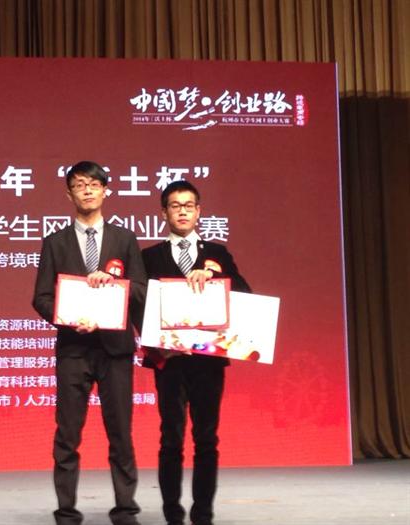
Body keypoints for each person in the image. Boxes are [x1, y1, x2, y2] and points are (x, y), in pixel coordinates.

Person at [32, 160, 147, 525]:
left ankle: (125, 509)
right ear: (70, 194)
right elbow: (42, 297)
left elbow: (141, 290)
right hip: (74, 349)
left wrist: (114, 287)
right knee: (67, 434)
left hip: (115, 350)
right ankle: (66, 511)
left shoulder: (125, 239)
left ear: (105, 191)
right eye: (79, 184)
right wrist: (68, 318)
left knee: (121, 433)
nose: (87, 190)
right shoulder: (55, 242)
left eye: (94, 184)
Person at [141, 180, 251, 525]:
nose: (183, 211)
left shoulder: (217, 253)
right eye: (175, 206)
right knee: (170, 438)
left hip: (208, 362)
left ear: (199, 211)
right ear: (164, 213)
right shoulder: (149, 257)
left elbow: (244, 291)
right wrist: (158, 347)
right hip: (169, 362)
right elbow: (138, 306)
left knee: (206, 438)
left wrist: (215, 276)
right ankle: (172, 513)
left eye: (189, 205)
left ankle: (203, 514)